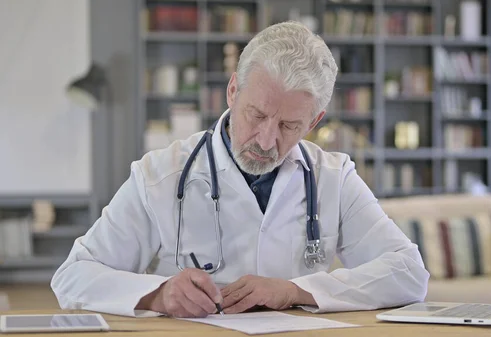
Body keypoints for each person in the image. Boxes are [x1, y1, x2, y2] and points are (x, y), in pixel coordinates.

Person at [51, 21, 430, 318]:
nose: (266, 141)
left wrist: (296, 291)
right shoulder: (160, 175)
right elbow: (73, 277)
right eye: (258, 114)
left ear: (314, 121)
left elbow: (409, 273)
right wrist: (158, 294)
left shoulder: (333, 177)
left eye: (288, 126)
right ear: (233, 91)